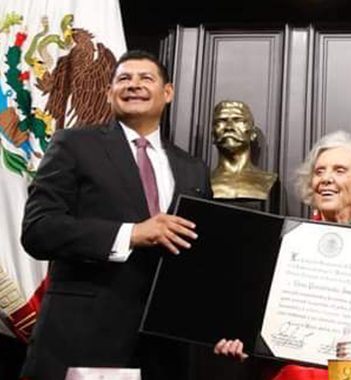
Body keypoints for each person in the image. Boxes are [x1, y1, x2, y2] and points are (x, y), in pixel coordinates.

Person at [20, 50, 212, 380]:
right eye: (123, 79)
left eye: (145, 78)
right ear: (109, 94)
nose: (133, 85)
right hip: (84, 341)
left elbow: (202, 257)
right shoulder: (73, 145)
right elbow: (39, 229)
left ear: (168, 93)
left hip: (166, 351)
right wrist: (131, 234)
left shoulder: (193, 168)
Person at [215, 130, 351, 380]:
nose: (326, 179)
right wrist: (244, 342)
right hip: (299, 362)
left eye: (339, 170)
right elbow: (258, 316)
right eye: (319, 171)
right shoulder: (287, 241)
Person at [210, 100, 277, 200]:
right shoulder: (202, 181)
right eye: (221, 121)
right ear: (212, 135)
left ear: (253, 133)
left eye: (238, 120)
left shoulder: (268, 181)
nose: (229, 127)